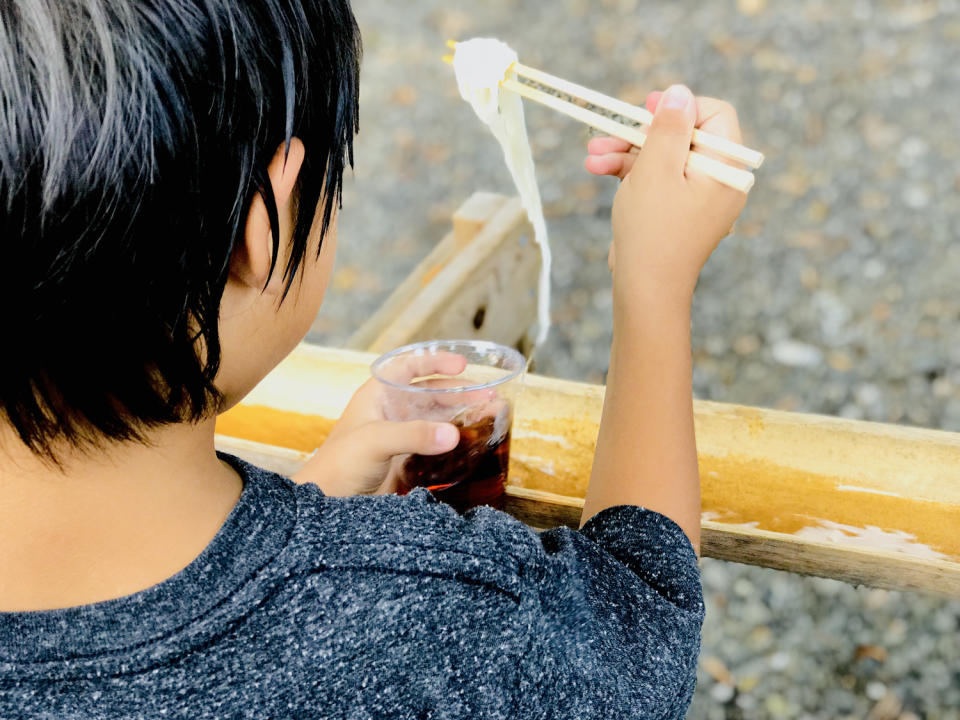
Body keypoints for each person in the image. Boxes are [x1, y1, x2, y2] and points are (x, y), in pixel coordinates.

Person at [0, 1, 747, 717]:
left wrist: (305, 503)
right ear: (258, 231)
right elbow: (640, 627)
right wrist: (653, 284)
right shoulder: (426, 615)